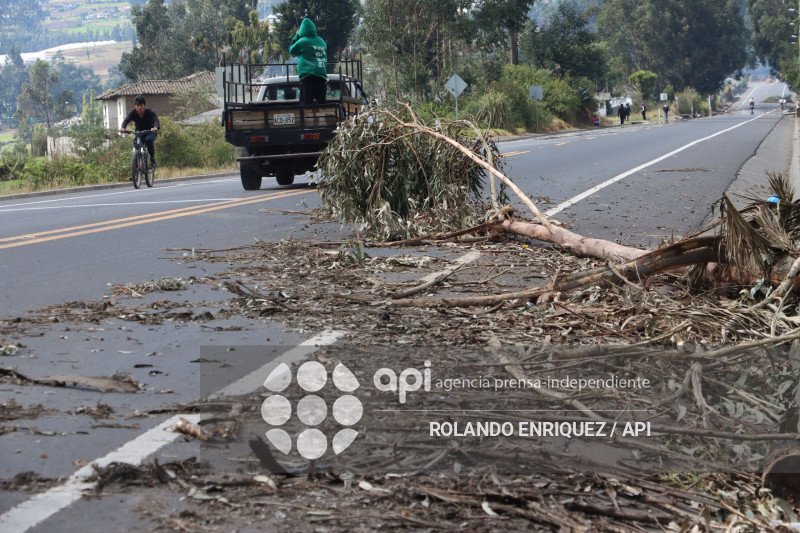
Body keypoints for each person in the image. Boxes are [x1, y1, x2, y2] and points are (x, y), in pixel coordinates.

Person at [289, 17, 328, 105]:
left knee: (305, 106)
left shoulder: (302, 42)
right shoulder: (322, 41)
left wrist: (297, 36)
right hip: (322, 79)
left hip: (308, 79)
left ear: (302, 30)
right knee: (322, 105)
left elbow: (292, 51)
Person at [119, 95, 160, 167]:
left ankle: (152, 160)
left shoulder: (150, 112)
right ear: (135, 106)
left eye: (141, 105)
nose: (139, 107)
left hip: (150, 132)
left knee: (148, 140)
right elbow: (126, 120)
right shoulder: (133, 113)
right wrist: (123, 127)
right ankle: (135, 171)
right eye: (137, 105)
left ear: (144, 105)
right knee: (136, 146)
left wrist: (155, 127)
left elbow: (156, 120)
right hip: (139, 133)